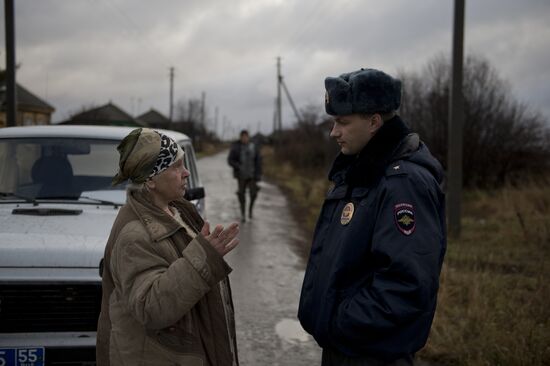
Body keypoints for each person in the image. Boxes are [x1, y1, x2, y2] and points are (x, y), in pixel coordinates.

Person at [298, 68, 447, 365]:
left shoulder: (403, 183)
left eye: (342, 122)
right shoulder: (359, 171)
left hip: (371, 353)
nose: (334, 132)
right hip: (346, 349)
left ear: (374, 122)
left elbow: (406, 283)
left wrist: (341, 322)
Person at [96, 128, 240, 366]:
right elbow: (150, 307)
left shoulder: (177, 210)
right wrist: (203, 259)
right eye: (176, 167)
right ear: (151, 179)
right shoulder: (134, 235)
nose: (186, 173)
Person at [227, 129, 262, 222]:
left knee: (254, 193)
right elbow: (230, 160)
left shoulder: (253, 147)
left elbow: (258, 162)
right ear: (241, 137)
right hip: (241, 175)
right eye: (243, 137)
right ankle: (243, 214)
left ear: (248, 137)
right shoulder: (236, 147)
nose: (245, 138)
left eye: (246, 137)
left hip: (252, 175)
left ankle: (250, 210)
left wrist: (258, 175)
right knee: (241, 194)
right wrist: (237, 166)